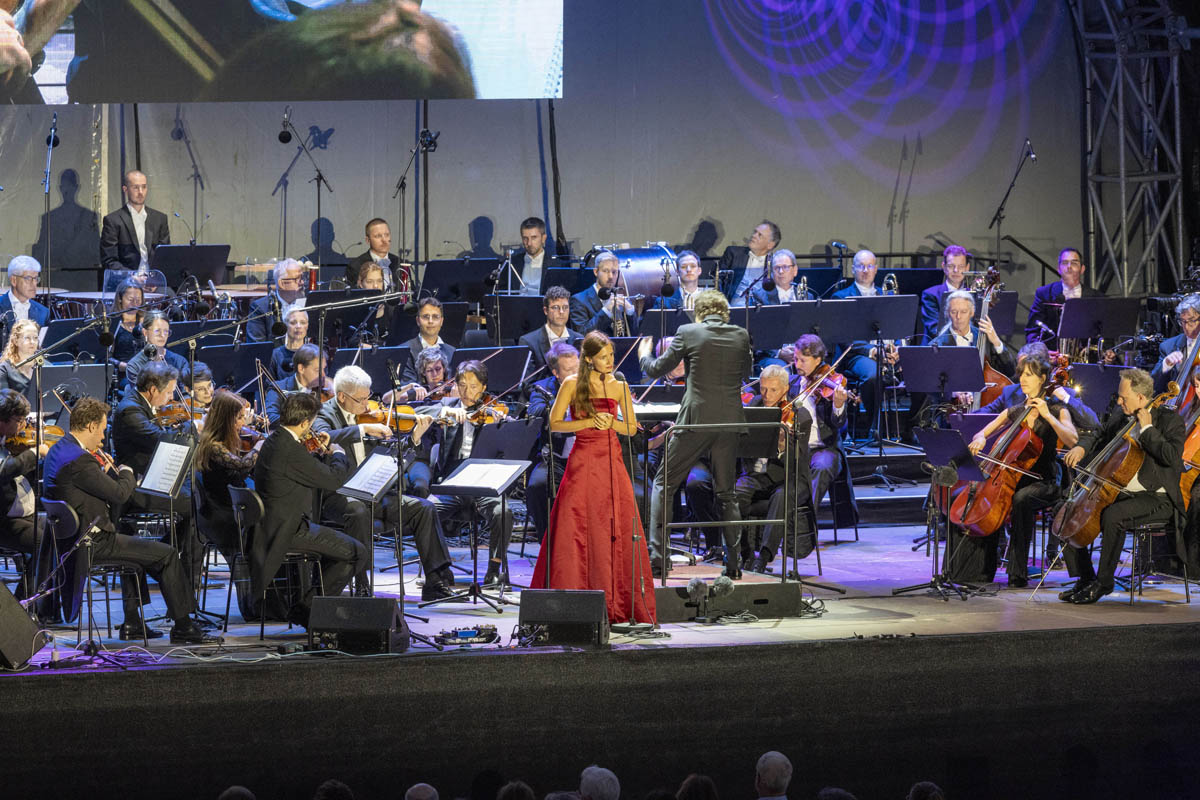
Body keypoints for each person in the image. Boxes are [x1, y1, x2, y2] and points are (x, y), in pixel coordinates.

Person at [43, 395, 218, 643]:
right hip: (93, 543)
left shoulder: (60, 450)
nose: (103, 437)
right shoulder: (80, 461)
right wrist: (126, 471)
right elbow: (120, 494)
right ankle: (184, 627)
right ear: (91, 426)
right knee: (167, 554)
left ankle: (133, 622)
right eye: (102, 430)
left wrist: (103, 472)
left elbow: (90, 488)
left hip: (74, 541)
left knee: (131, 543)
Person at [529, 332, 656, 623]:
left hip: (611, 462)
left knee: (614, 527)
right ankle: (569, 605)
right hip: (583, 461)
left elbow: (631, 428)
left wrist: (612, 423)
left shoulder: (619, 385)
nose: (610, 362)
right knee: (575, 527)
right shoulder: (572, 384)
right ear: (588, 359)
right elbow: (554, 423)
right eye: (603, 357)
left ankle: (616, 602)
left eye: (611, 355)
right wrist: (588, 422)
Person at [312, 365, 456, 600]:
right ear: (342, 396)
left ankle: (435, 580)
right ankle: (361, 583)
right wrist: (362, 428)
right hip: (338, 495)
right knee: (358, 511)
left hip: (372, 491)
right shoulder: (324, 415)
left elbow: (392, 457)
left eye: (368, 397)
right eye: (360, 399)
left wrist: (414, 439)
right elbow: (323, 439)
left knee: (424, 508)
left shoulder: (370, 413)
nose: (367, 404)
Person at [638, 289, 752, 577]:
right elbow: (745, 373)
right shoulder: (741, 335)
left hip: (696, 420)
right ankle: (734, 565)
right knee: (726, 494)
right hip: (729, 422)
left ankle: (657, 559)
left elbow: (656, 369)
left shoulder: (688, 332)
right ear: (724, 312)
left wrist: (643, 354)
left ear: (699, 313)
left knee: (663, 483)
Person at [1061, 368, 1184, 604]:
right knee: (1067, 507)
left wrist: (1147, 429)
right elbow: (1098, 433)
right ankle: (1086, 578)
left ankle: (1104, 583)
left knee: (1113, 516)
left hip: (1156, 497)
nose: (1119, 401)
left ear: (1140, 397)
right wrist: (1082, 447)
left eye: (1123, 397)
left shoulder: (1170, 421)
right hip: (1120, 490)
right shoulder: (1120, 415)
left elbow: (1172, 458)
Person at [252, 391, 367, 627]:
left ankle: (310, 606)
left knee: (339, 551)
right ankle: (308, 610)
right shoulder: (290, 451)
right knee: (358, 552)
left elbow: (300, 467)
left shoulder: (275, 440)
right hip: (287, 530)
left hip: (274, 524)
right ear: (304, 423)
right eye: (311, 424)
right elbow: (333, 480)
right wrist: (337, 453)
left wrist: (313, 451)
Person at [967, 351, 1079, 587]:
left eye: (1029, 375)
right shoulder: (1017, 410)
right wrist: (980, 438)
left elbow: (1072, 439)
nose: (1023, 379)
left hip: (1047, 481)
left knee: (1020, 499)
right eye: (1021, 374)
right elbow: (983, 431)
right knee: (995, 498)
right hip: (1017, 478)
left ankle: (1017, 573)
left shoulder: (1057, 409)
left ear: (1043, 379)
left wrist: (1047, 416)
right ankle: (984, 567)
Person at [111, 361, 205, 585]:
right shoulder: (130, 410)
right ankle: (176, 570)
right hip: (137, 486)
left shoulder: (139, 404)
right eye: (169, 392)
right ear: (153, 389)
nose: (171, 398)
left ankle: (159, 557)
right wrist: (192, 427)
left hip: (152, 477)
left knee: (200, 494)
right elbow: (160, 439)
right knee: (197, 507)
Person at [426, 360, 516, 587]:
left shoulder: (493, 411)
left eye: (473, 386)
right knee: (425, 510)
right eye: (462, 385)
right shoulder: (447, 405)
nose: (467, 392)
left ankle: (494, 569)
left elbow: (511, 446)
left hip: (484, 484)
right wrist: (443, 412)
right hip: (453, 484)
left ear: (484, 387)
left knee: (503, 512)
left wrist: (501, 428)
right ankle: (440, 568)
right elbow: (420, 410)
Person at [732, 365, 815, 571]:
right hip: (758, 475)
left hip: (790, 477)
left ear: (785, 389)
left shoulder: (800, 415)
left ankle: (764, 557)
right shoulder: (755, 405)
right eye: (763, 388)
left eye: (773, 390)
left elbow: (798, 461)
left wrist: (782, 447)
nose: (766, 395)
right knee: (735, 494)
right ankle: (744, 553)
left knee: (781, 497)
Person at [828, 249, 896, 438]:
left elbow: (897, 326)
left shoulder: (887, 294)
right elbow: (843, 335)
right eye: (861, 266)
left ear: (876, 268)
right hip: (854, 355)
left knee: (922, 366)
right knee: (873, 374)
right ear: (853, 269)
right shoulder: (841, 297)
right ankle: (874, 429)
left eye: (869, 266)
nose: (865, 270)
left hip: (885, 351)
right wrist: (872, 351)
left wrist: (896, 347)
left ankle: (916, 428)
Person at [195, 389, 263, 577]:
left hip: (229, 505)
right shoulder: (213, 446)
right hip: (223, 512)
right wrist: (259, 446)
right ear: (225, 419)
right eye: (239, 418)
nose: (243, 423)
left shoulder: (223, 440)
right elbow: (242, 465)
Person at [525, 342, 579, 548]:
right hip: (555, 458)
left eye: (578, 368)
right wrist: (563, 402)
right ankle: (548, 547)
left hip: (588, 457)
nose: (576, 374)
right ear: (556, 373)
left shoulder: (593, 384)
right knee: (537, 486)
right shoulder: (543, 388)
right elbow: (536, 412)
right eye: (569, 370)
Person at [930, 290, 1016, 406]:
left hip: (986, 405)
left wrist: (996, 341)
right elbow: (930, 385)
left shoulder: (985, 338)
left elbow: (1010, 371)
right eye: (954, 312)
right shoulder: (936, 345)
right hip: (950, 408)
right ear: (947, 313)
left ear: (972, 312)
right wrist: (953, 393)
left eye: (964, 312)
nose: (958, 317)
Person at [0, 390, 47, 602]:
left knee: (60, 536)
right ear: (3, 420)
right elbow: (4, 471)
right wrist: (35, 453)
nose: (23, 426)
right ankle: (24, 606)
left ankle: (44, 605)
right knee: (44, 545)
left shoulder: (10, 441)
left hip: (24, 515)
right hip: (5, 521)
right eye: (19, 421)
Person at [1025, 246, 1102, 347]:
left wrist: (1106, 349)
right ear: (1058, 269)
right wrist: (1041, 351)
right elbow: (1032, 331)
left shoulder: (1096, 297)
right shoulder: (1044, 294)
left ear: (1082, 269)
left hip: (1085, 354)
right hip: (1051, 354)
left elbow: (1104, 332)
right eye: (1065, 263)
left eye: (1074, 263)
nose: (1069, 267)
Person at [100, 170, 170, 272]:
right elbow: (109, 260)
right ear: (125, 189)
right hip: (127, 278)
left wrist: (154, 277)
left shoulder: (160, 219)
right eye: (136, 187)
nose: (141, 192)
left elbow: (165, 255)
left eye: (144, 187)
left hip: (154, 278)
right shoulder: (113, 221)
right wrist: (132, 276)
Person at [569, 251, 637, 336]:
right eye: (606, 271)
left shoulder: (621, 300)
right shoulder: (578, 300)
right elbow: (581, 335)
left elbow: (634, 335)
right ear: (596, 272)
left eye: (614, 272)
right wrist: (606, 311)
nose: (611, 276)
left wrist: (630, 312)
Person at [122, 310, 188, 395]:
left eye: (166, 331)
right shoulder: (134, 365)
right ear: (145, 332)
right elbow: (142, 397)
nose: (162, 335)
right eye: (157, 331)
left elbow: (185, 394)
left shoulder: (180, 361)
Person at [518, 286, 583, 372]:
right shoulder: (528, 342)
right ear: (546, 310)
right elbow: (528, 378)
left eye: (565, 307)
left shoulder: (579, 339)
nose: (561, 312)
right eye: (555, 307)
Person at [263, 343, 331, 426]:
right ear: (301, 368)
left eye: (324, 369)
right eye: (317, 370)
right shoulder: (278, 388)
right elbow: (271, 417)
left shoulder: (324, 391)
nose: (323, 375)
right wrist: (300, 422)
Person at [717, 220, 780, 307]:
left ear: (770, 245)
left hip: (762, 311)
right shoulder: (733, 254)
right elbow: (717, 280)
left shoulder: (776, 266)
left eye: (760, 235)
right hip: (732, 308)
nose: (754, 236)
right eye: (755, 232)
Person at [345, 218, 412, 294]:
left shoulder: (400, 264)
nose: (384, 240)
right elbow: (353, 296)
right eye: (378, 236)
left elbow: (411, 293)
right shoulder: (355, 266)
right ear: (368, 240)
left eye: (387, 235)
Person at [919, 244, 970, 343]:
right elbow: (934, 329)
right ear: (944, 267)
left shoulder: (973, 294)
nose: (956, 270)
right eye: (951, 266)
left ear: (967, 268)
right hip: (937, 348)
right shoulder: (930, 294)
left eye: (961, 266)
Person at [247, 259, 307, 343]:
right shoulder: (260, 308)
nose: (302, 283)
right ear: (281, 284)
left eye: (302, 278)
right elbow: (257, 346)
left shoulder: (307, 304)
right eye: (297, 279)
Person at [1151, 293, 1200, 393]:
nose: (1186, 327)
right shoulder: (1168, 347)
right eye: (1183, 321)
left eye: (1191, 321)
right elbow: (1153, 385)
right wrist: (1166, 364)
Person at [400, 298, 456, 384]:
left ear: (441, 321)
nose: (430, 321)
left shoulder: (452, 351)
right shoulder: (404, 350)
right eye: (426, 317)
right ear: (418, 321)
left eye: (435, 317)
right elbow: (408, 385)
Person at [0, 256, 51, 346]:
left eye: (36, 279)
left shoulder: (43, 312)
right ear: (14, 280)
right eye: (28, 278)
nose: (34, 284)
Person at [506, 216, 558, 296]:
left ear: (543, 238)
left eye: (534, 238)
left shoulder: (556, 265)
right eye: (525, 238)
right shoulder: (511, 263)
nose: (529, 243)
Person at [750, 249, 815, 306]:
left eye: (785, 267)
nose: (781, 271)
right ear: (772, 272)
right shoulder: (760, 296)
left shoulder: (808, 297)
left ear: (795, 270)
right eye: (777, 268)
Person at [109, 278, 146, 375]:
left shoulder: (146, 322)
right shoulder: (112, 324)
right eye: (130, 299)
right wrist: (121, 365)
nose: (135, 304)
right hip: (123, 373)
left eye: (138, 300)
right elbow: (104, 357)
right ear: (120, 299)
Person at [269, 305, 309, 381]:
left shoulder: (316, 354)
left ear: (307, 326)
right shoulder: (274, 356)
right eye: (293, 323)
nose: (298, 326)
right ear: (285, 326)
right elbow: (269, 386)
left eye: (303, 322)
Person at [0, 320, 38, 395]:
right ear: (15, 341)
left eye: (35, 338)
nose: (32, 342)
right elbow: (3, 399)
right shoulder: (4, 369)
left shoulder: (45, 365)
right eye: (27, 338)